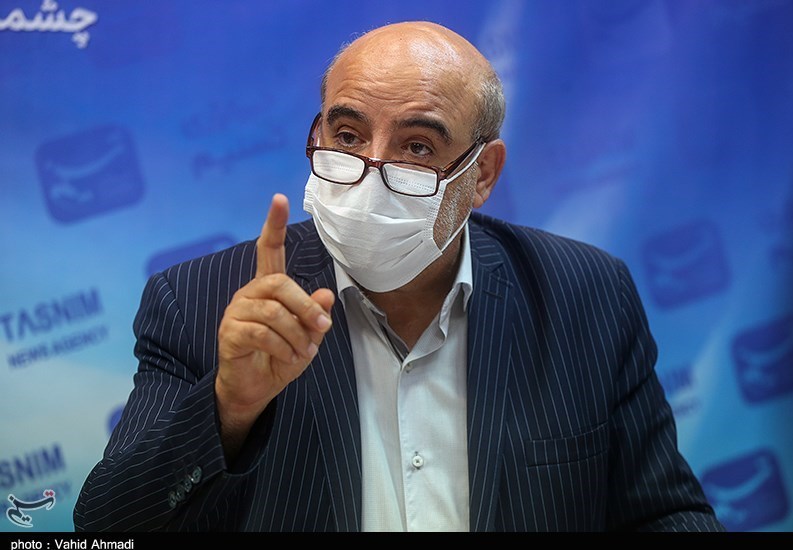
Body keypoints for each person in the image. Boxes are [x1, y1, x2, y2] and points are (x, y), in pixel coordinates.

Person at [73, 20, 725, 532]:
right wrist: (229, 407)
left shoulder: (584, 295)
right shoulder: (199, 302)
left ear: (482, 175)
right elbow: (106, 526)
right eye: (348, 135)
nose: (370, 173)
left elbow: (662, 514)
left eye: (417, 147)